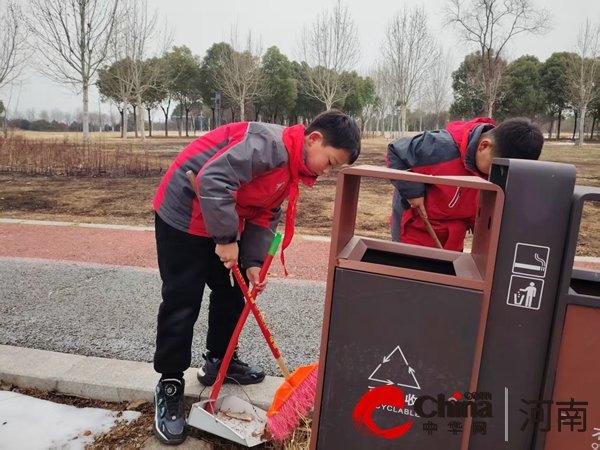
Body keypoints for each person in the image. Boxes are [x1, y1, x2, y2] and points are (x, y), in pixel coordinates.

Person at [150, 109, 361, 445]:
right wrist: (225, 240)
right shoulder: (267, 146)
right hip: (185, 213)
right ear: (314, 139)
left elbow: (265, 212)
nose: (328, 171)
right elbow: (213, 179)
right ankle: (170, 384)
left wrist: (251, 262)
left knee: (234, 290)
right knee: (182, 299)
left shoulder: (293, 167)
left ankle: (219, 362)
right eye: (331, 162)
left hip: (220, 216)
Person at [386, 117, 544, 251]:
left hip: (454, 234)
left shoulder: (498, 164)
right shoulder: (439, 146)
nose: (496, 175)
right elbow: (396, 151)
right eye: (496, 168)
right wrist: (413, 191)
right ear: (484, 146)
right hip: (417, 228)